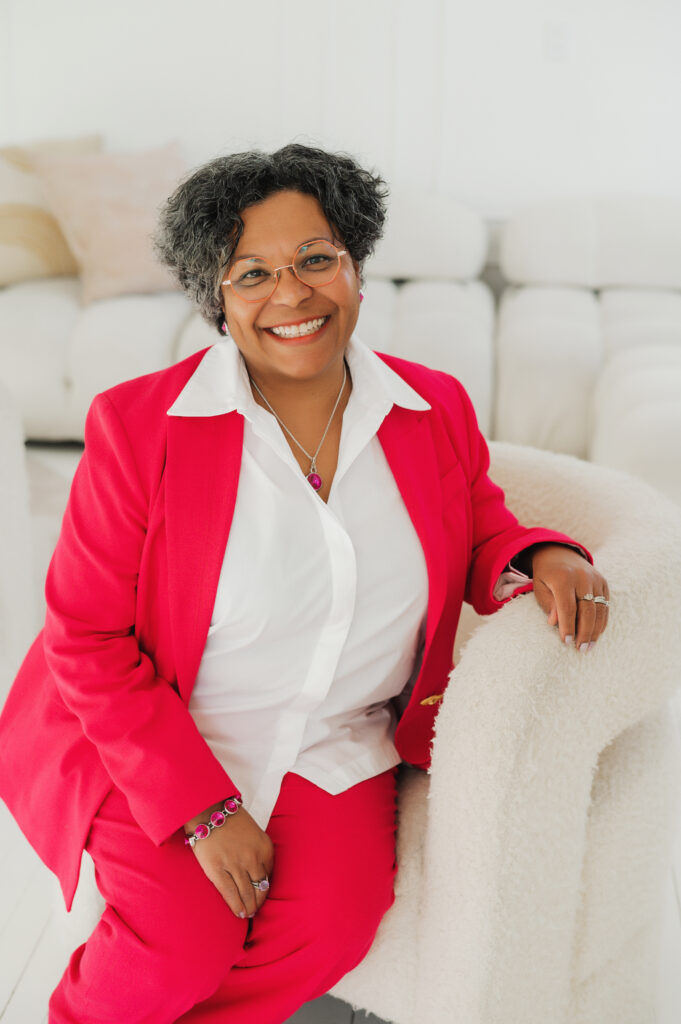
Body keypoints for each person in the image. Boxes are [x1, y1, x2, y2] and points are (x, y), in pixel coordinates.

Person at [0, 143, 610, 1023]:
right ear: (217, 297)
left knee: (331, 928)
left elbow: (477, 523)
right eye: (252, 273)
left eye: (315, 259)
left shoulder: (430, 408)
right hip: (154, 731)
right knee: (179, 942)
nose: (291, 294)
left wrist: (538, 556)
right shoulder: (138, 428)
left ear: (355, 267)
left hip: (336, 740)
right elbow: (85, 640)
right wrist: (207, 812)